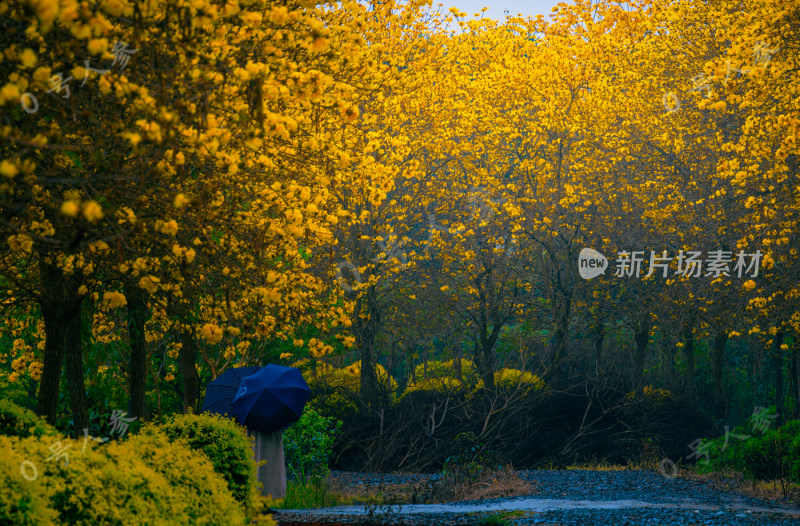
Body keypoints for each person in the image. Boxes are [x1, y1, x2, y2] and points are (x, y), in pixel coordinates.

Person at [248, 427, 286, 499]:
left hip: (271, 430)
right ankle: (257, 498)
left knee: (269, 465)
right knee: (257, 464)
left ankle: (264, 499)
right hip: (254, 430)